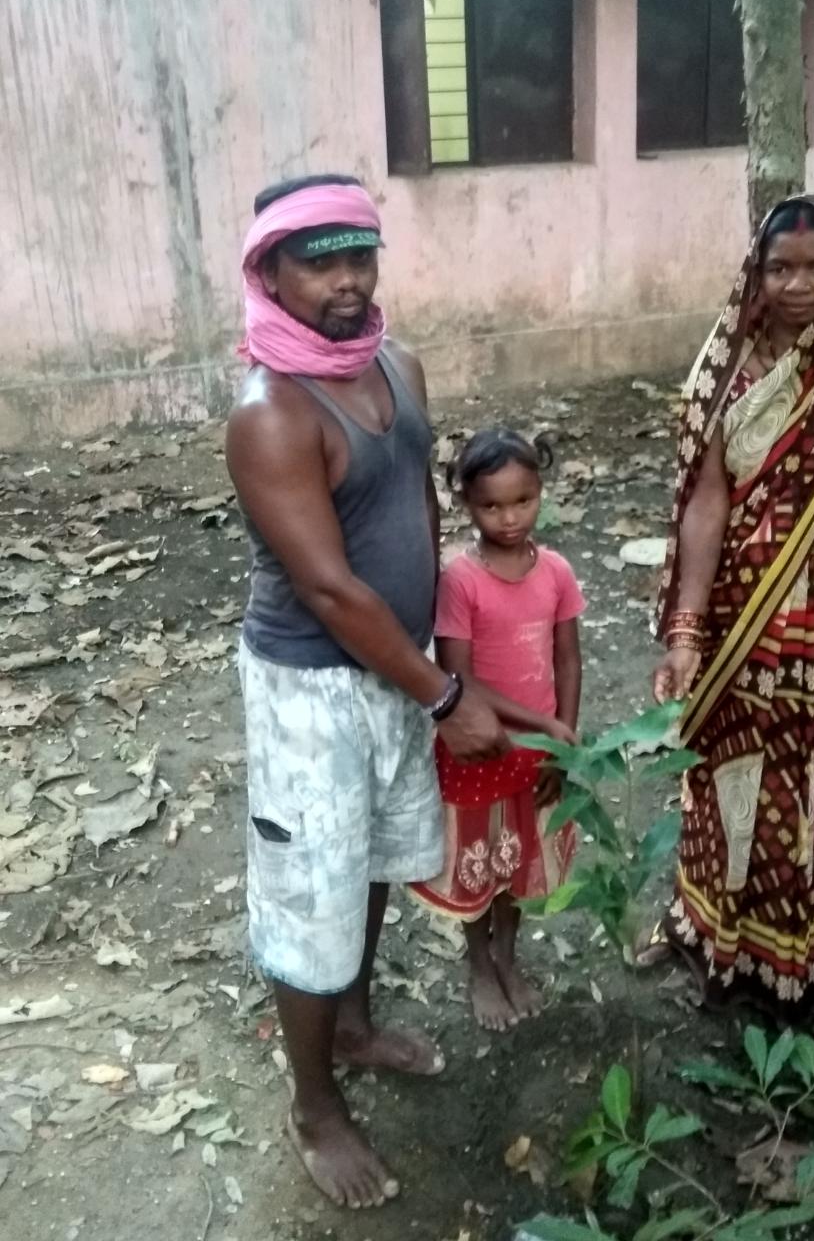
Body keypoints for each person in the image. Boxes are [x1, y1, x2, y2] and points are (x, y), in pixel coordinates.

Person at [225, 173, 508, 1209]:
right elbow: (331, 587)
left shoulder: (399, 364)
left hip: (401, 670)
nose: (348, 279)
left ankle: (352, 1023)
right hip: (313, 689)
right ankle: (313, 1102)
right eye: (320, 259)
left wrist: (443, 646)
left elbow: (418, 517)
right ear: (270, 272)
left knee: (375, 857)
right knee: (313, 895)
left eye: (361, 253)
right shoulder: (270, 411)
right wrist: (443, 694)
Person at [643, 194, 814, 1023]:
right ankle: (713, 942)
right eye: (782, 267)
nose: (800, 285)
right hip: (738, 616)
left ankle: (809, 959)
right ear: (755, 274)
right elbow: (705, 505)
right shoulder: (726, 377)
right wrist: (687, 633)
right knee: (729, 776)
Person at [409, 429, 584, 1032]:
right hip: (479, 747)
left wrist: (565, 738)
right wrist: (547, 723)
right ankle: (479, 962)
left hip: (534, 754)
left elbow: (568, 659)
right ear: (465, 503)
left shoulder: (556, 571)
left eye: (523, 501)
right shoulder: (461, 580)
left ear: (541, 493)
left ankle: (507, 955)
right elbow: (457, 679)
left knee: (518, 858)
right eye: (491, 505)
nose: (509, 518)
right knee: (477, 861)